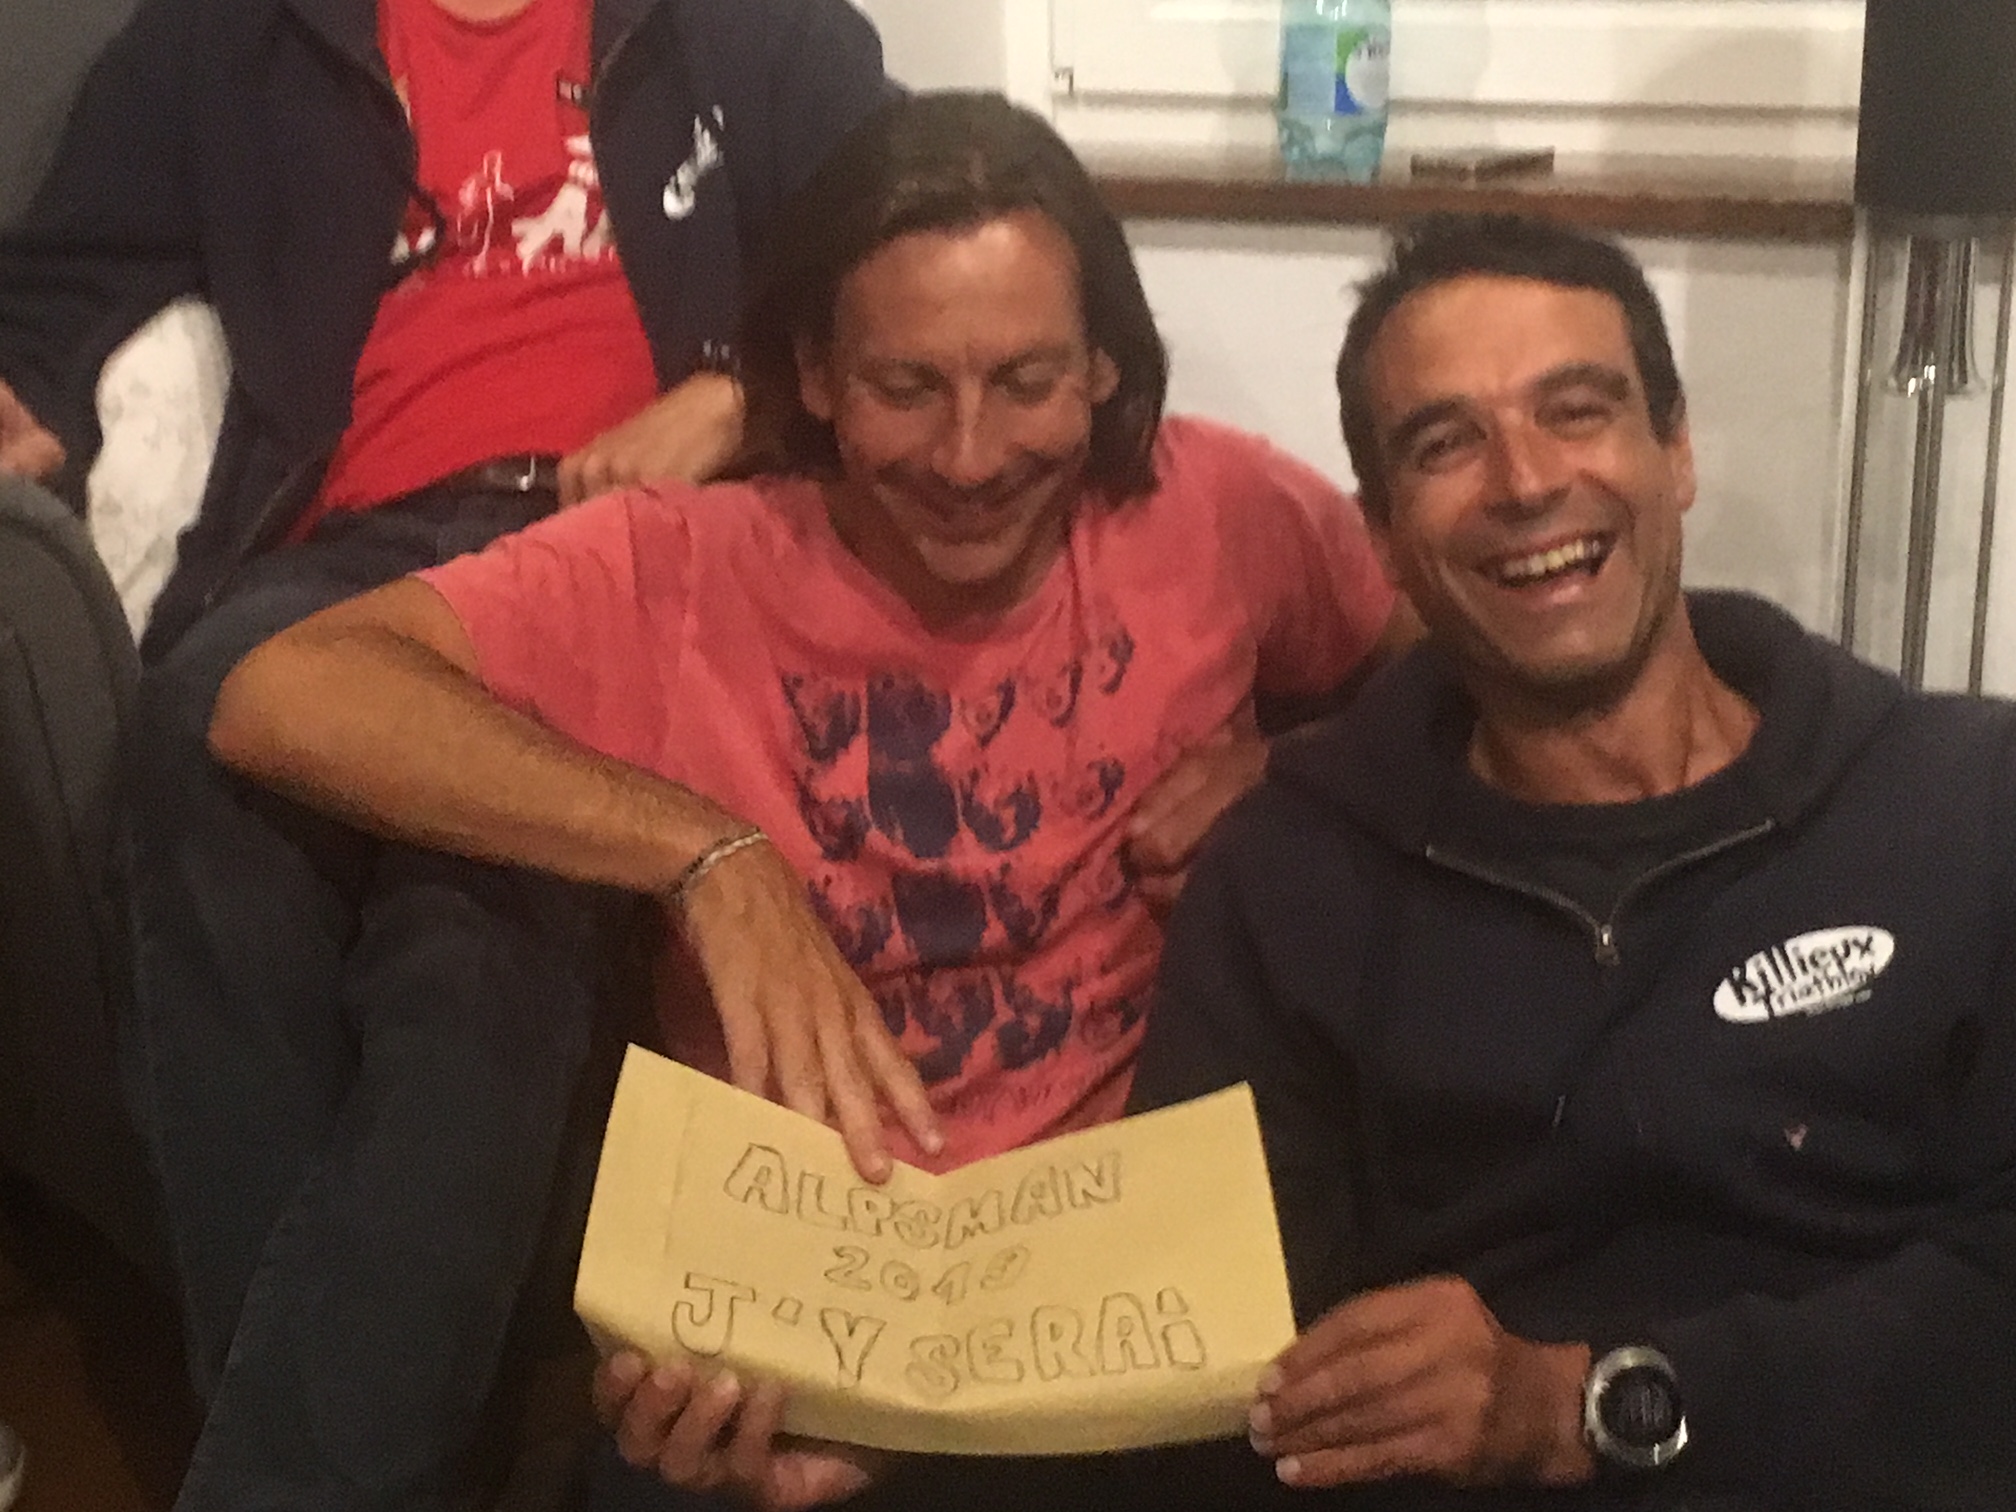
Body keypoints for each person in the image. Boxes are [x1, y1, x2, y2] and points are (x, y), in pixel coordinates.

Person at [205, 91, 1409, 1512]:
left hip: (1128, 1314)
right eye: (907, 388)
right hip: (790, 1324)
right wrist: (709, 859)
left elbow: (1447, 666)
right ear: (816, 378)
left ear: (1103, 367)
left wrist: (1291, 770)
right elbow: (283, 691)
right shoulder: (679, 565)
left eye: (1026, 381)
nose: (971, 457)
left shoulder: (1216, 508)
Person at [0, 1, 896, 1508]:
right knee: (204, 741)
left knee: (480, 941)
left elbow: (897, 250)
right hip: (338, 560)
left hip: (605, 560)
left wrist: (740, 390)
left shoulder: (757, 29)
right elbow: (53, 299)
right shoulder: (230, 40)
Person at [1132, 210, 2016, 1511]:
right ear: (1382, 536)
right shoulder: (1289, 876)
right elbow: (1203, 1357)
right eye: (1446, 443)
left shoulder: (1965, 799)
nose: (1526, 480)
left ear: (1677, 449)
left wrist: (1587, 1404)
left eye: (1577, 410)